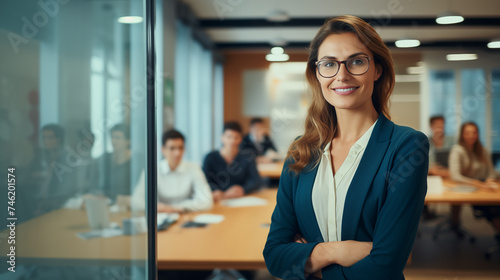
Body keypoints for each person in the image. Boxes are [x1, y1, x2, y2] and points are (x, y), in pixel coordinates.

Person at [263, 15, 429, 280]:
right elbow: (274, 255)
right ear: (317, 74)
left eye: (357, 61)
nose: (342, 75)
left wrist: (309, 260)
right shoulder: (301, 152)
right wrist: (333, 252)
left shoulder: (405, 146)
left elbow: (385, 264)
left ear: (377, 70)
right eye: (329, 64)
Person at [131, 129, 213, 213]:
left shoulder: (194, 168)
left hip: (186, 216)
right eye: (172, 148)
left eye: (180, 148)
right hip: (159, 217)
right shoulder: (152, 170)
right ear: (163, 150)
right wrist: (158, 207)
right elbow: (136, 202)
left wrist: (176, 208)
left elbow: (206, 201)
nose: (177, 153)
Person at [448, 122, 500, 240]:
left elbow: (491, 171)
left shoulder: (482, 150)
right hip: (467, 186)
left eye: (474, 132)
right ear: (462, 135)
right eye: (468, 133)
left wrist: (489, 181)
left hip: (485, 186)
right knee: (494, 209)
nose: (471, 135)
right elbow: (455, 176)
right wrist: (477, 183)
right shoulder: (457, 150)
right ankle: (455, 224)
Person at [202, 121, 262, 203]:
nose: (232, 141)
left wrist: (242, 189)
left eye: (236, 137)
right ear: (222, 137)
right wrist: (216, 191)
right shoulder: (210, 157)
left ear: (241, 139)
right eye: (229, 137)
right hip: (217, 200)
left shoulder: (248, 156)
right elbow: (204, 181)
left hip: (241, 200)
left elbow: (256, 180)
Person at [94, 124, 133, 202]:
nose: (113, 141)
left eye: (118, 138)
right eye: (112, 137)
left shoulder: (135, 163)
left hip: (127, 207)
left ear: (128, 141)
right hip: (106, 204)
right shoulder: (105, 159)